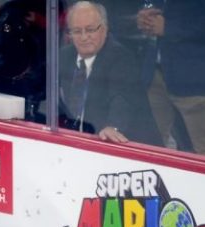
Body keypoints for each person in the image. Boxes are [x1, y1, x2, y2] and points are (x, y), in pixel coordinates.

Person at [58, 1, 161, 146]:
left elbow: (122, 97)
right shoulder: (63, 56)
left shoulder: (121, 57)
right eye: (77, 31)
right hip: (78, 143)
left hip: (127, 147)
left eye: (90, 30)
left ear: (104, 29)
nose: (84, 37)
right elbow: (48, 93)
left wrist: (114, 126)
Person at [136, 1, 205, 157]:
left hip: (192, 77)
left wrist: (169, 28)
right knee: (152, 145)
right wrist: (142, 17)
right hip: (154, 74)